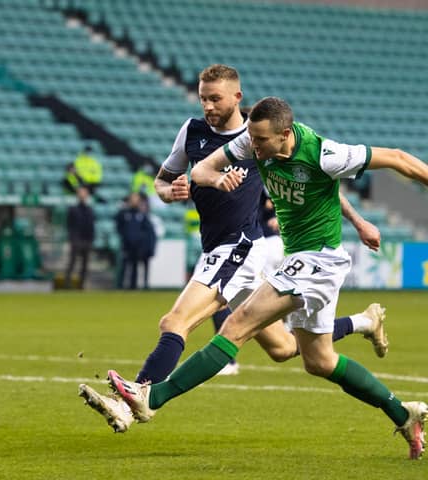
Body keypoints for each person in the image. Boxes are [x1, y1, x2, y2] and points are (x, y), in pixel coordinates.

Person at [104, 96, 428, 459]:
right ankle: (405, 414)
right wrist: (216, 178)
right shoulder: (252, 143)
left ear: (285, 135)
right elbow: (202, 171)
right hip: (300, 258)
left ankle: (153, 398)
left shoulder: (326, 153)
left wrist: (360, 221)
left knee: (237, 324)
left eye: (260, 141)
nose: (252, 147)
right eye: (251, 140)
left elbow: (398, 158)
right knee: (318, 361)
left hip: (319, 260)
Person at [79, 65, 386, 433]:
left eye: (216, 99)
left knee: (175, 322)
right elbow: (163, 181)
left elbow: (318, 183)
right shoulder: (191, 132)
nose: (208, 106)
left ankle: (133, 400)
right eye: (203, 98)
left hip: (239, 247)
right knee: (284, 348)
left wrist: (357, 221)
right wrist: (171, 192)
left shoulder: (259, 137)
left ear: (237, 98)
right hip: (215, 249)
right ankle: (364, 321)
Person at [115, 192, 155, 289]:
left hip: (137, 245)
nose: (134, 201)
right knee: (124, 266)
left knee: (134, 266)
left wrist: (141, 240)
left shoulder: (141, 214)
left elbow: (146, 230)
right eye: (133, 198)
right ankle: (120, 286)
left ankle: (133, 287)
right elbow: (119, 226)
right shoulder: (124, 213)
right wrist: (124, 237)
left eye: (136, 199)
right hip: (126, 244)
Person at [64, 186, 95, 289]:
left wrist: (91, 239)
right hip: (76, 240)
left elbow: (91, 226)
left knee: (84, 265)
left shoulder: (90, 210)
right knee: (72, 263)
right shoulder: (73, 209)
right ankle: (67, 284)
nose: (82, 195)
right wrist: (72, 239)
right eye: (81, 193)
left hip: (87, 240)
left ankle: (81, 285)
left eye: (84, 193)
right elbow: (69, 226)